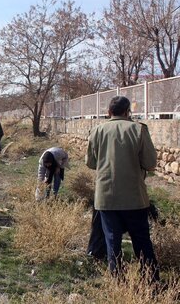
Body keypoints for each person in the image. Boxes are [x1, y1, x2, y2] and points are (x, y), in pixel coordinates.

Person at [86, 96, 159, 282]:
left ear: (109, 112)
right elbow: (150, 163)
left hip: (106, 198)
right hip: (134, 198)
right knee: (142, 242)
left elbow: (91, 163)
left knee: (112, 243)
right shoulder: (139, 129)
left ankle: (118, 283)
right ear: (128, 112)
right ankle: (151, 283)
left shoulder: (97, 130)